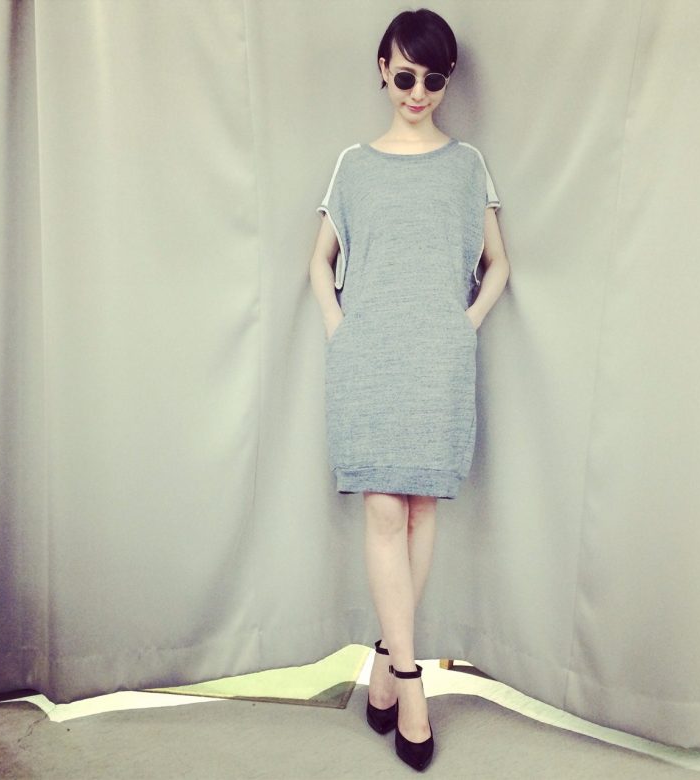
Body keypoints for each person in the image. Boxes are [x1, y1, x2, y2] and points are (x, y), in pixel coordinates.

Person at [308, 8, 509, 772]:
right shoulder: (352, 165)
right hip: (369, 358)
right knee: (383, 509)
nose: (417, 92)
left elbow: (498, 263)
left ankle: (386, 669)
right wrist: (339, 328)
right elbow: (319, 260)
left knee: (422, 509)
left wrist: (466, 324)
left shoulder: (467, 165)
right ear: (382, 71)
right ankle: (409, 678)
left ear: (447, 81)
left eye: (432, 79)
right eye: (403, 76)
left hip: (437, 359)